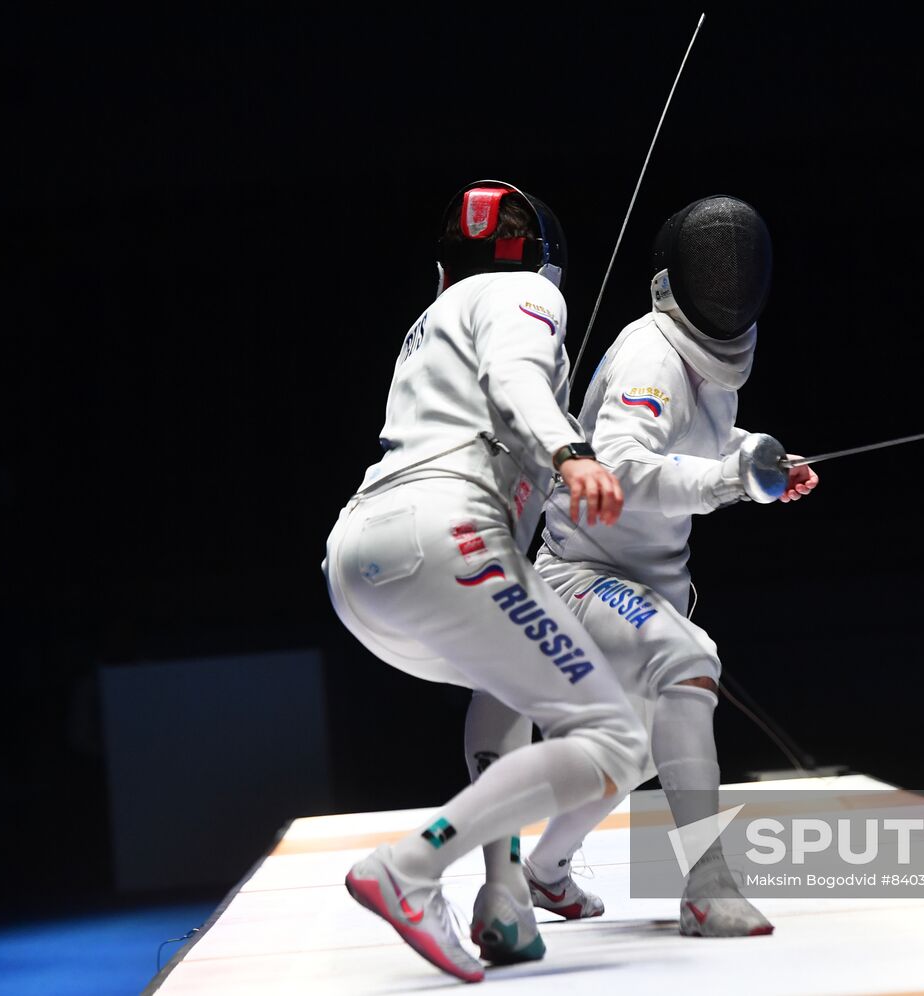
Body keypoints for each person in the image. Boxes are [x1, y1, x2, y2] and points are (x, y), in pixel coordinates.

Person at [463, 195, 815, 937]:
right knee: (690, 660)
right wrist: (729, 480)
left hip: (640, 588)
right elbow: (621, 466)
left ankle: (545, 873)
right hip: (582, 579)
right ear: (676, 276)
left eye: (739, 267)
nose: (729, 280)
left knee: (635, 748)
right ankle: (707, 886)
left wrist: (758, 461)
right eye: (715, 266)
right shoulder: (651, 355)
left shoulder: (695, 359)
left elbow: (693, 438)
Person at [324, 181, 648, 982]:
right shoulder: (526, 296)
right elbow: (516, 376)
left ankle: (504, 899)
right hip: (445, 535)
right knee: (615, 739)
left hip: (360, 562)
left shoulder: (430, 325)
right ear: (544, 261)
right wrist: (571, 454)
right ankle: (410, 866)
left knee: (510, 687)